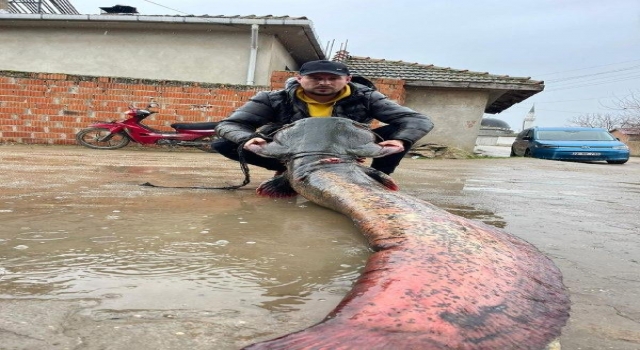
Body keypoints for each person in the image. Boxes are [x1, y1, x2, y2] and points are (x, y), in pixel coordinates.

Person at [213, 60, 434, 175]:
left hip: (347, 146)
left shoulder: (367, 97)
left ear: (347, 79)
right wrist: (247, 138)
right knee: (225, 144)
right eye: (316, 78)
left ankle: (377, 175)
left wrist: (401, 140)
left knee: (399, 133)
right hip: (294, 147)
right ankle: (285, 170)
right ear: (299, 79)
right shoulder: (273, 98)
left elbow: (418, 121)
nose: (324, 82)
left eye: (332, 78)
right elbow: (231, 124)